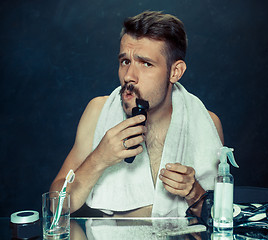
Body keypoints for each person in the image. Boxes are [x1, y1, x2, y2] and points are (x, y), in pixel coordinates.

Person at [50, 10, 224, 217]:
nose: (129, 76)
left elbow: (221, 218)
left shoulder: (207, 123)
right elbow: (55, 205)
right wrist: (99, 158)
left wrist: (193, 191)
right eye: (125, 62)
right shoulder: (98, 112)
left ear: (175, 72)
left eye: (146, 64)